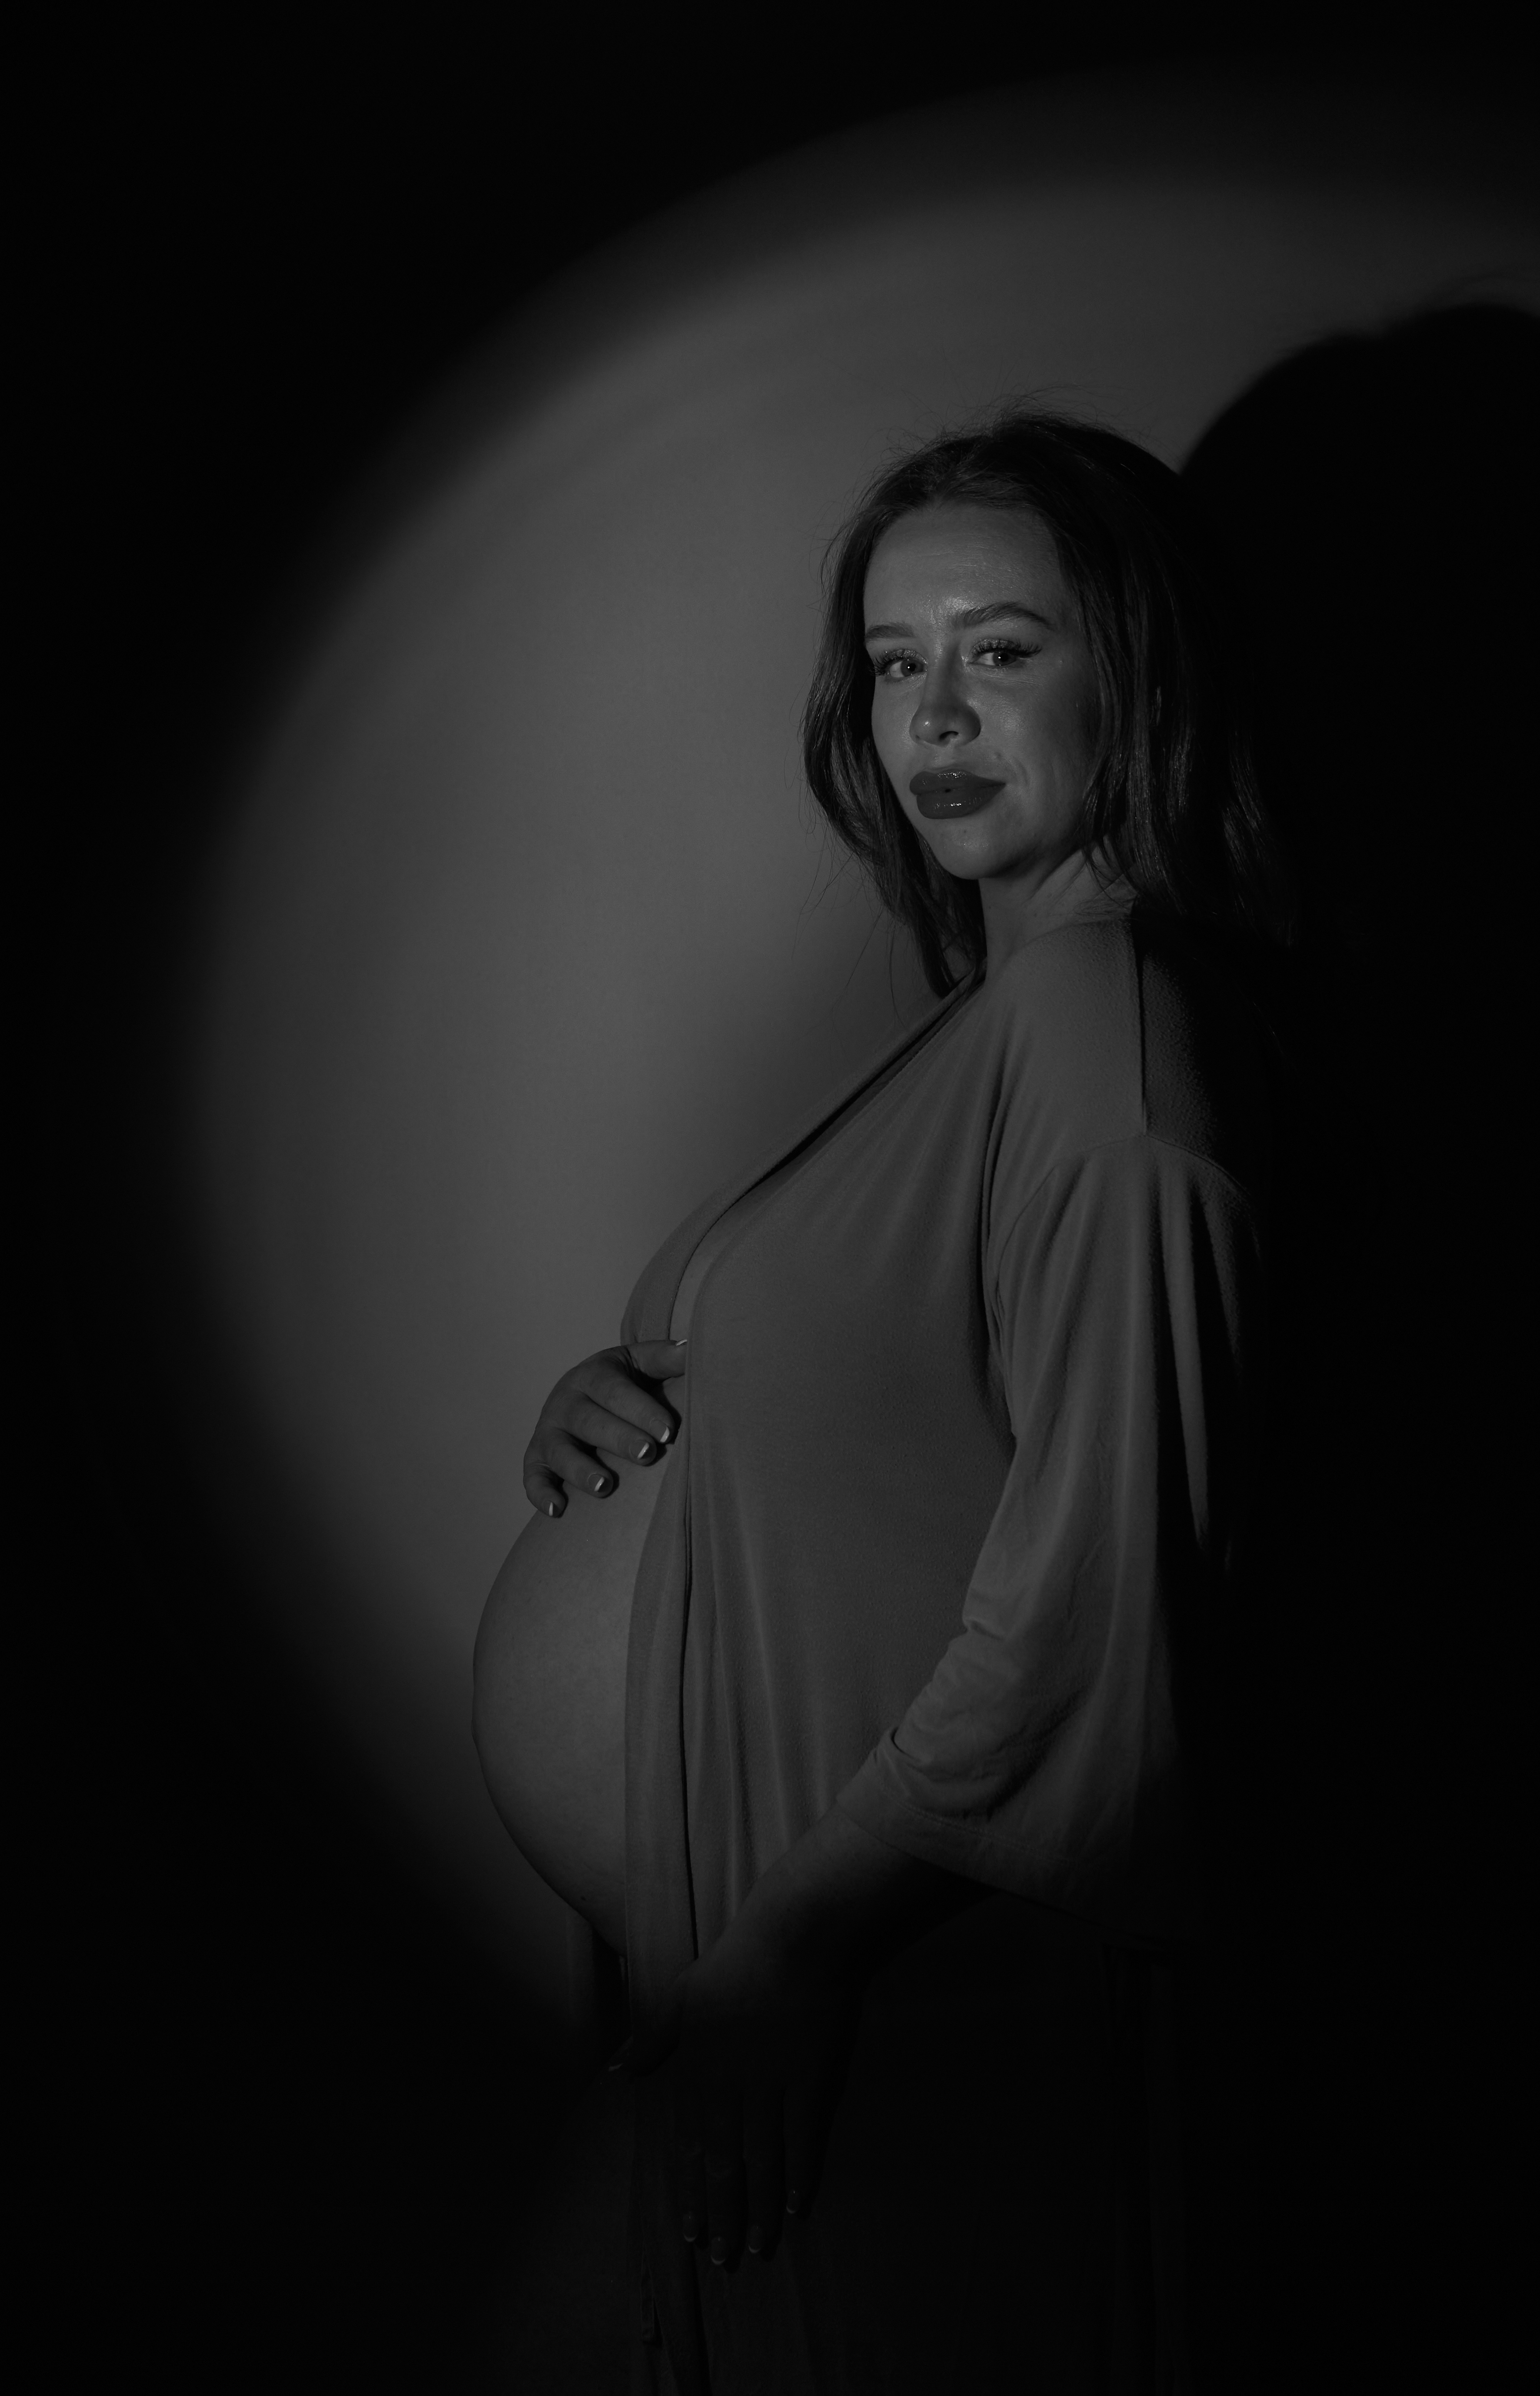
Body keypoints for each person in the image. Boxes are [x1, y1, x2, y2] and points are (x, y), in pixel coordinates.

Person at [474, 409, 1291, 2393]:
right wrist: (632, 1399)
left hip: (899, 1986)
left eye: (1003, 651)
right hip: (790, 1970)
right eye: (896, 662)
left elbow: (1102, 1599)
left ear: (1133, 674)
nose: (936, 714)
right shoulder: (997, 1030)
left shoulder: (1099, 1026)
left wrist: (790, 1955)